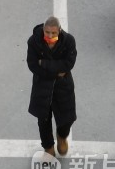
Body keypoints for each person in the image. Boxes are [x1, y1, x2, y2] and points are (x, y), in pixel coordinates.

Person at [26, 16, 77, 157]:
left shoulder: (68, 41)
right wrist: (56, 73)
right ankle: (48, 148)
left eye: (53, 33)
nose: (50, 35)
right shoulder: (34, 42)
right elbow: (33, 64)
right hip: (42, 86)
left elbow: (68, 64)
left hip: (63, 86)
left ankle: (62, 136)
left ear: (59, 31)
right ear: (43, 30)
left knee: (68, 118)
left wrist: (45, 64)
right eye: (47, 32)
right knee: (43, 119)